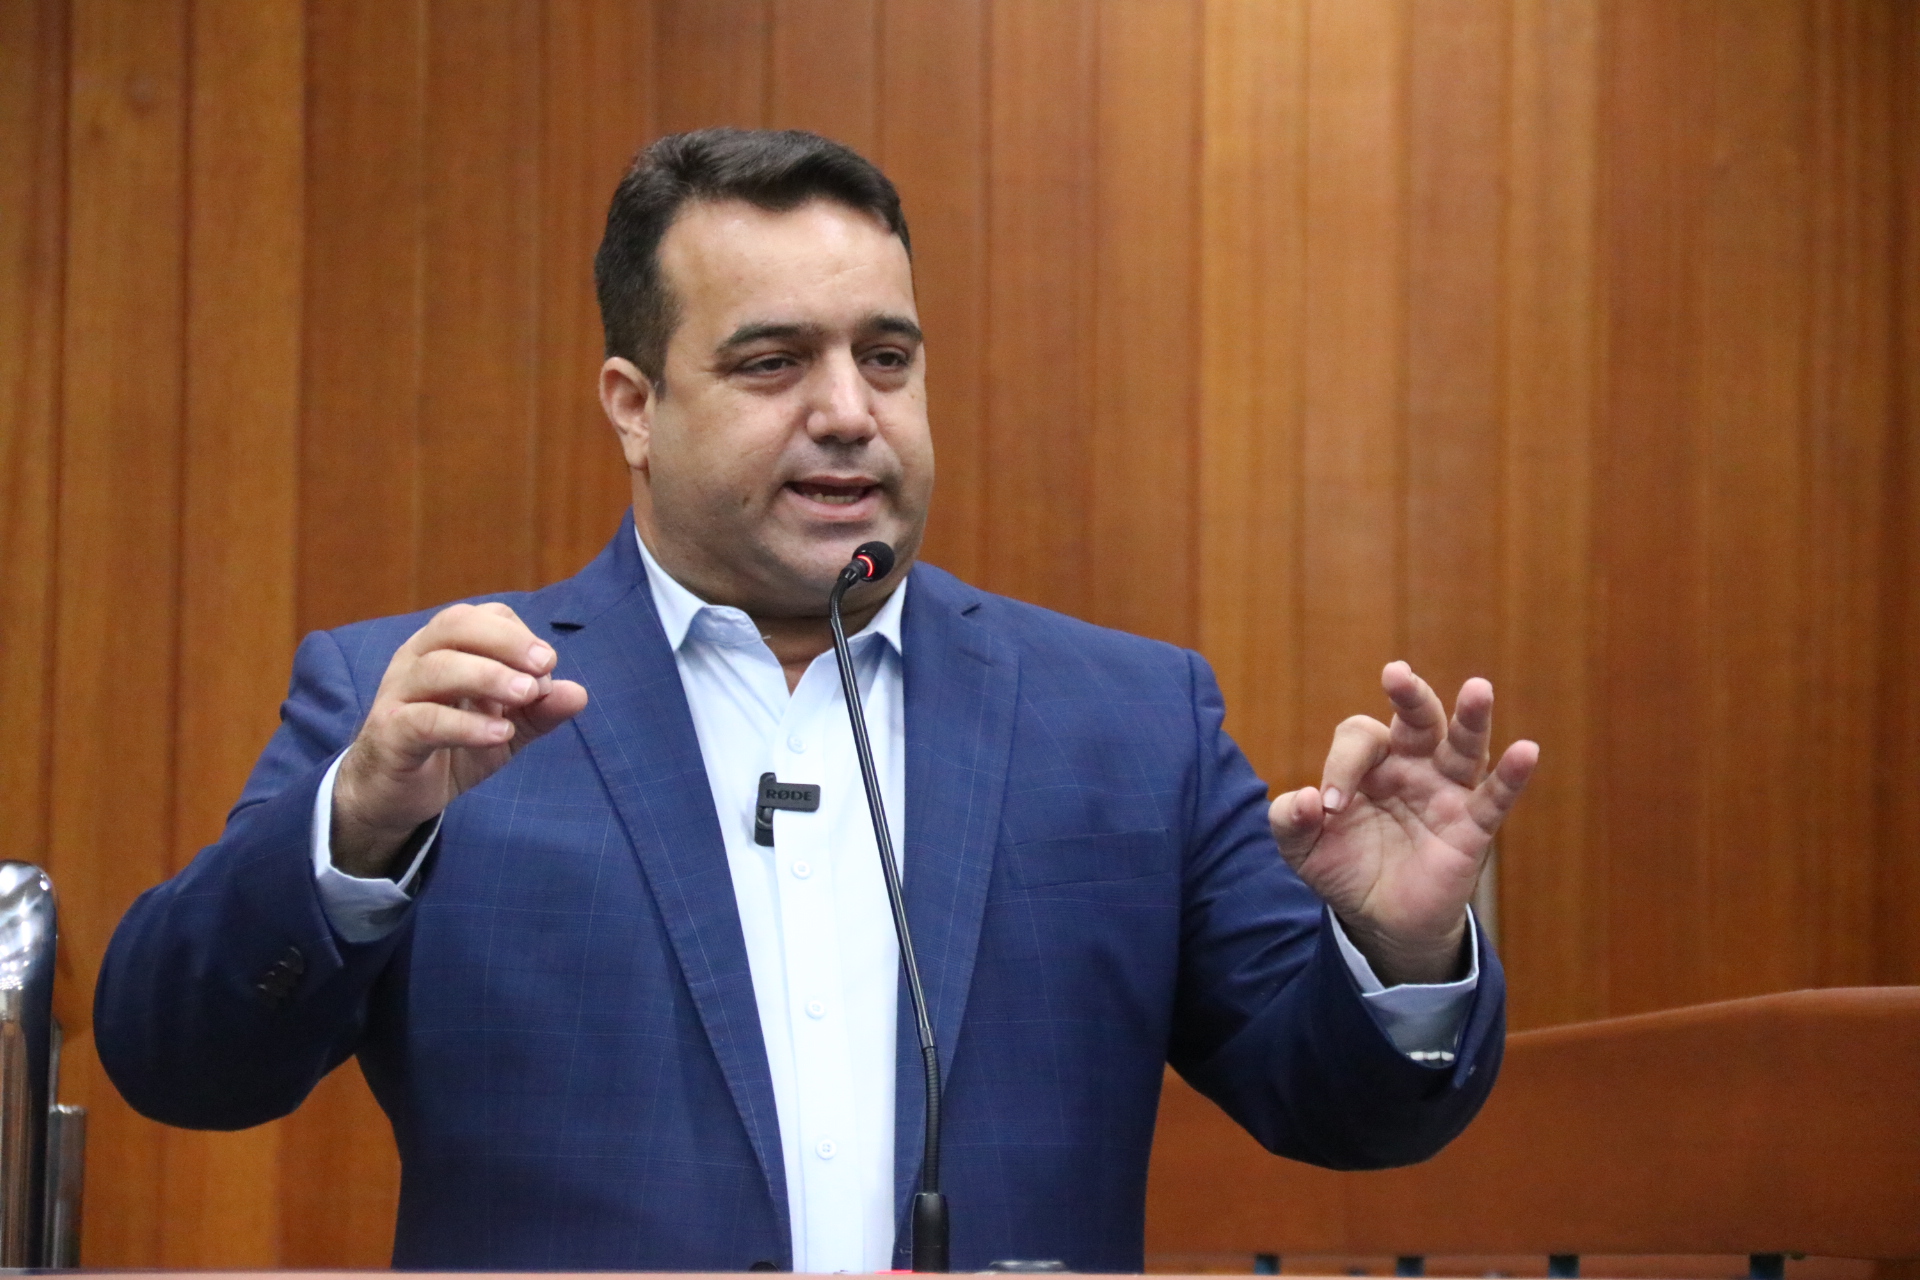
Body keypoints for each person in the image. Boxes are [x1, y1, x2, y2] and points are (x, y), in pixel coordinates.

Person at [96, 128, 1539, 1273]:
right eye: (773, 362)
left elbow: (1346, 1112)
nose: (850, 411)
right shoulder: (429, 708)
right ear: (634, 406)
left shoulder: (1128, 718)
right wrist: (356, 825)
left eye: (886, 358)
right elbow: (182, 1065)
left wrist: (1401, 947)